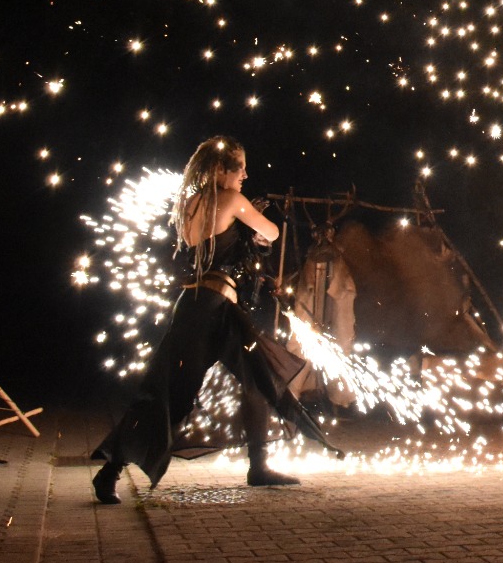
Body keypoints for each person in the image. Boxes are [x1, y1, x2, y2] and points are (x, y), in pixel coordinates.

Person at [93, 137, 342, 503]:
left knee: (253, 377)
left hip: (200, 305)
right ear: (220, 170)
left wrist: (243, 225)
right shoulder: (229, 199)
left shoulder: (190, 202)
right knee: (174, 395)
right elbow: (271, 232)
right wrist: (252, 220)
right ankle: (109, 471)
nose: (245, 174)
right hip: (210, 309)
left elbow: (219, 244)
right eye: (239, 167)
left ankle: (259, 465)